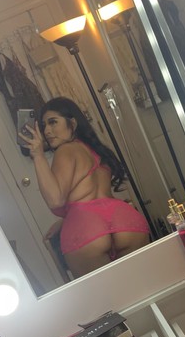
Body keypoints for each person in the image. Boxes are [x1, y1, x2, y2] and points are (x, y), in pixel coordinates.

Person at [21, 97, 150, 278]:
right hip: (124, 221)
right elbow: (96, 200)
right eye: (44, 126)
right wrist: (65, 220)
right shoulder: (96, 150)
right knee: (143, 285)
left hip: (88, 230)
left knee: (106, 295)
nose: (47, 131)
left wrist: (38, 155)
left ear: (72, 123)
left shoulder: (65, 151)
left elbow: (55, 199)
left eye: (53, 122)